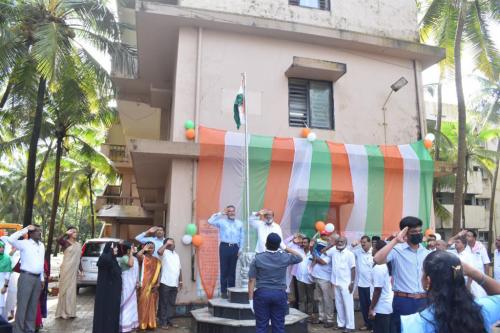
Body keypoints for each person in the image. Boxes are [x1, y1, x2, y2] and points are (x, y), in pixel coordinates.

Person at [401, 250, 500, 333]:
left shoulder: (414, 323)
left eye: (423, 271)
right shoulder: (481, 310)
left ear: (428, 280)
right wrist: (473, 272)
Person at [373, 216, 430, 333]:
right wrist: (395, 240)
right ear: (405, 234)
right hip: (404, 300)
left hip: (424, 300)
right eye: (414, 232)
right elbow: (377, 259)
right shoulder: (397, 250)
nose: (418, 234)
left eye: (420, 231)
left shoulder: (426, 252)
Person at [248, 233, 303, 333]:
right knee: (278, 326)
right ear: (278, 245)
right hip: (279, 294)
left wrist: (250, 299)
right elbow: (300, 257)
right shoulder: (284, 257)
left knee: (261, 326)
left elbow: (252, 280)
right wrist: (285, 248)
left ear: (266, 244)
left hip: (262, 294)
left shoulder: (258, 258)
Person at [3, 225, 44, 333]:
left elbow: (41, 263)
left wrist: (42, 278)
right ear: (31, 233)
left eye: (40, 231)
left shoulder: (42, 245)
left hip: (37, 279)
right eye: (37, 231)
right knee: (22, 305)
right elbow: (10, 239)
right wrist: (25, 229)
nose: (40, 233)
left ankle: (29, 329)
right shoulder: (24, 243)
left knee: (33, 306)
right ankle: (18, 330)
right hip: (26, 277)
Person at [208, 205, 244, 298]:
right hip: (224, 246)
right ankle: (223, 292)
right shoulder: (221, 222)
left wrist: (241, 248)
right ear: (227, 213)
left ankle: (231, 291)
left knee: (232, 270)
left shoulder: (239, 223)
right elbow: (210, 221)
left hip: (235, 247)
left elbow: (242, 237)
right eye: (229, 211)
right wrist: (220, 213)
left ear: (235, 212)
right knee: (224, 270)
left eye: (233, 211)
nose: (231, 213)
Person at [327, 236, 355, 332]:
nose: (339, 243)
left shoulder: (349, 254)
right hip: (336, 282)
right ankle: (341, 324)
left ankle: (350, 326)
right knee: (339, 304)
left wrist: (352, 283)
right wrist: (331, 244)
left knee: (348, 305)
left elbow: (353, 268)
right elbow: (322, 251)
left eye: (341, 241)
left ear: (346, 243)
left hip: (346, 283)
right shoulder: (333, 251)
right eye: (338, 241)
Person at [92, 242, 122, 333]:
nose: (117, 249)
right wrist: (110, 248)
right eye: (115, 248)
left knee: (113, 313)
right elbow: (106, 260)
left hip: (113, 293)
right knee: (106, 313)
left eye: (117, 248)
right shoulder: (104, 258)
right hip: (106, 293)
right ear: (110, 249)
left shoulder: (114, 259)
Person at [55, 226, 82, 319]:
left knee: (71, 290)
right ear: (69, 233)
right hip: (66, 269)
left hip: (73, 270)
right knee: (64, 290)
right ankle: (62, 311)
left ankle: (70, 312)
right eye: (73, 232)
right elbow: (58, 239)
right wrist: (65, 233)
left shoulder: (78, 245)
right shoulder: (66, 243)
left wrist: (81, 270)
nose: (75, 233)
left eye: (76, 232)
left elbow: (79, 258)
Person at [157, 238, 183, 330]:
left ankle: (169, 320)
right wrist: (166, 244)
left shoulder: (176, 255)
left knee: (171, 303)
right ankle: (162, 321)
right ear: (167, 244)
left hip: (174, 283)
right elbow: (159, 252)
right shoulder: (164, 253)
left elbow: (179, 269)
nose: (173, 243)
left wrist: (180, 281)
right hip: (165, 282)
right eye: (171, 242)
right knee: (163, 303)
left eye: (173, 242)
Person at [310, 233, 334, 327]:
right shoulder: (320, 251)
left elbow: (323, 262)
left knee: (327, 299)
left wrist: (315, 255)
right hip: (318, 278)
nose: (326, 243)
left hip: (325, 279)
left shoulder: (330, 252)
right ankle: (321, 318)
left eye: (328, 241)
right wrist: (312, 250)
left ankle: (329, 319)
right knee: (320, 299)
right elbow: (314, 256)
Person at [369, 240, 393, 333]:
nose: (372, 249)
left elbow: (378, 290)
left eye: (374, 247)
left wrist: (371, 308)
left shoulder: (379, 267)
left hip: (382, 306)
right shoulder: (386, 265)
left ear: (379, 251)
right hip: (387, 304)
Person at [350, 235, 373, 331]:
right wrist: (352, 246)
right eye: (361, 242)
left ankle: (374, 326)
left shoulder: (374, 252)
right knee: (364, 307)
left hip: (372, 286)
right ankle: (367, 324)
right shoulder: (358, 252)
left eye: (365, 242)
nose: (363, 244)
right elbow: (348, 253)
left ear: (369, 242)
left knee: (373, 306)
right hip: (361, 284)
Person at [137, 242, 161, 331]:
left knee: (152, 304)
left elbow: (158, 273)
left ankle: (151, 324)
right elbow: (138, 255)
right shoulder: (143, 258)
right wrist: (144, 249)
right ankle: (142, 324)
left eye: (153, 247)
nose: (151, 249)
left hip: (154, 285)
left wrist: (158, 284)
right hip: (144, 285)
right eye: (149, 247)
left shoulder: (157, 260)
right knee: (143, 304)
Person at [119, 241, 139, 333]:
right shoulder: (124, 258)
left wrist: (138, 281)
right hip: (126, 284)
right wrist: (131, 254)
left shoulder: (134, 258)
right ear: (128, 249)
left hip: (133, 284)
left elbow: (136, 271)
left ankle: (132, 324)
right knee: (126, 303)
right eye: (132, 247)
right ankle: (125, 325)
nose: (134, 248)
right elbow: (130, 265)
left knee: (133, 304)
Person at [294, 237, 314, 318]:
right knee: (302, 298)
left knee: (310, 298)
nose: (303, 244)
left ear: (309, 244)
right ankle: (301, 316)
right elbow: (287, 246)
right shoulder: (299, 251)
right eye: (302, 242)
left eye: (305, 242)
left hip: (310, 279)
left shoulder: (313, 253)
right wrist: (294, 241)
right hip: (300, 278)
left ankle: (309, 314)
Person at [0, 241, 12, 318]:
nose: (2, 249)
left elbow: (8, 274)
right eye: (0, 247)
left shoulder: (7, 258)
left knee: (0, 304)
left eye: (3, 247)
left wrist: (5, 286)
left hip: (1, 284)